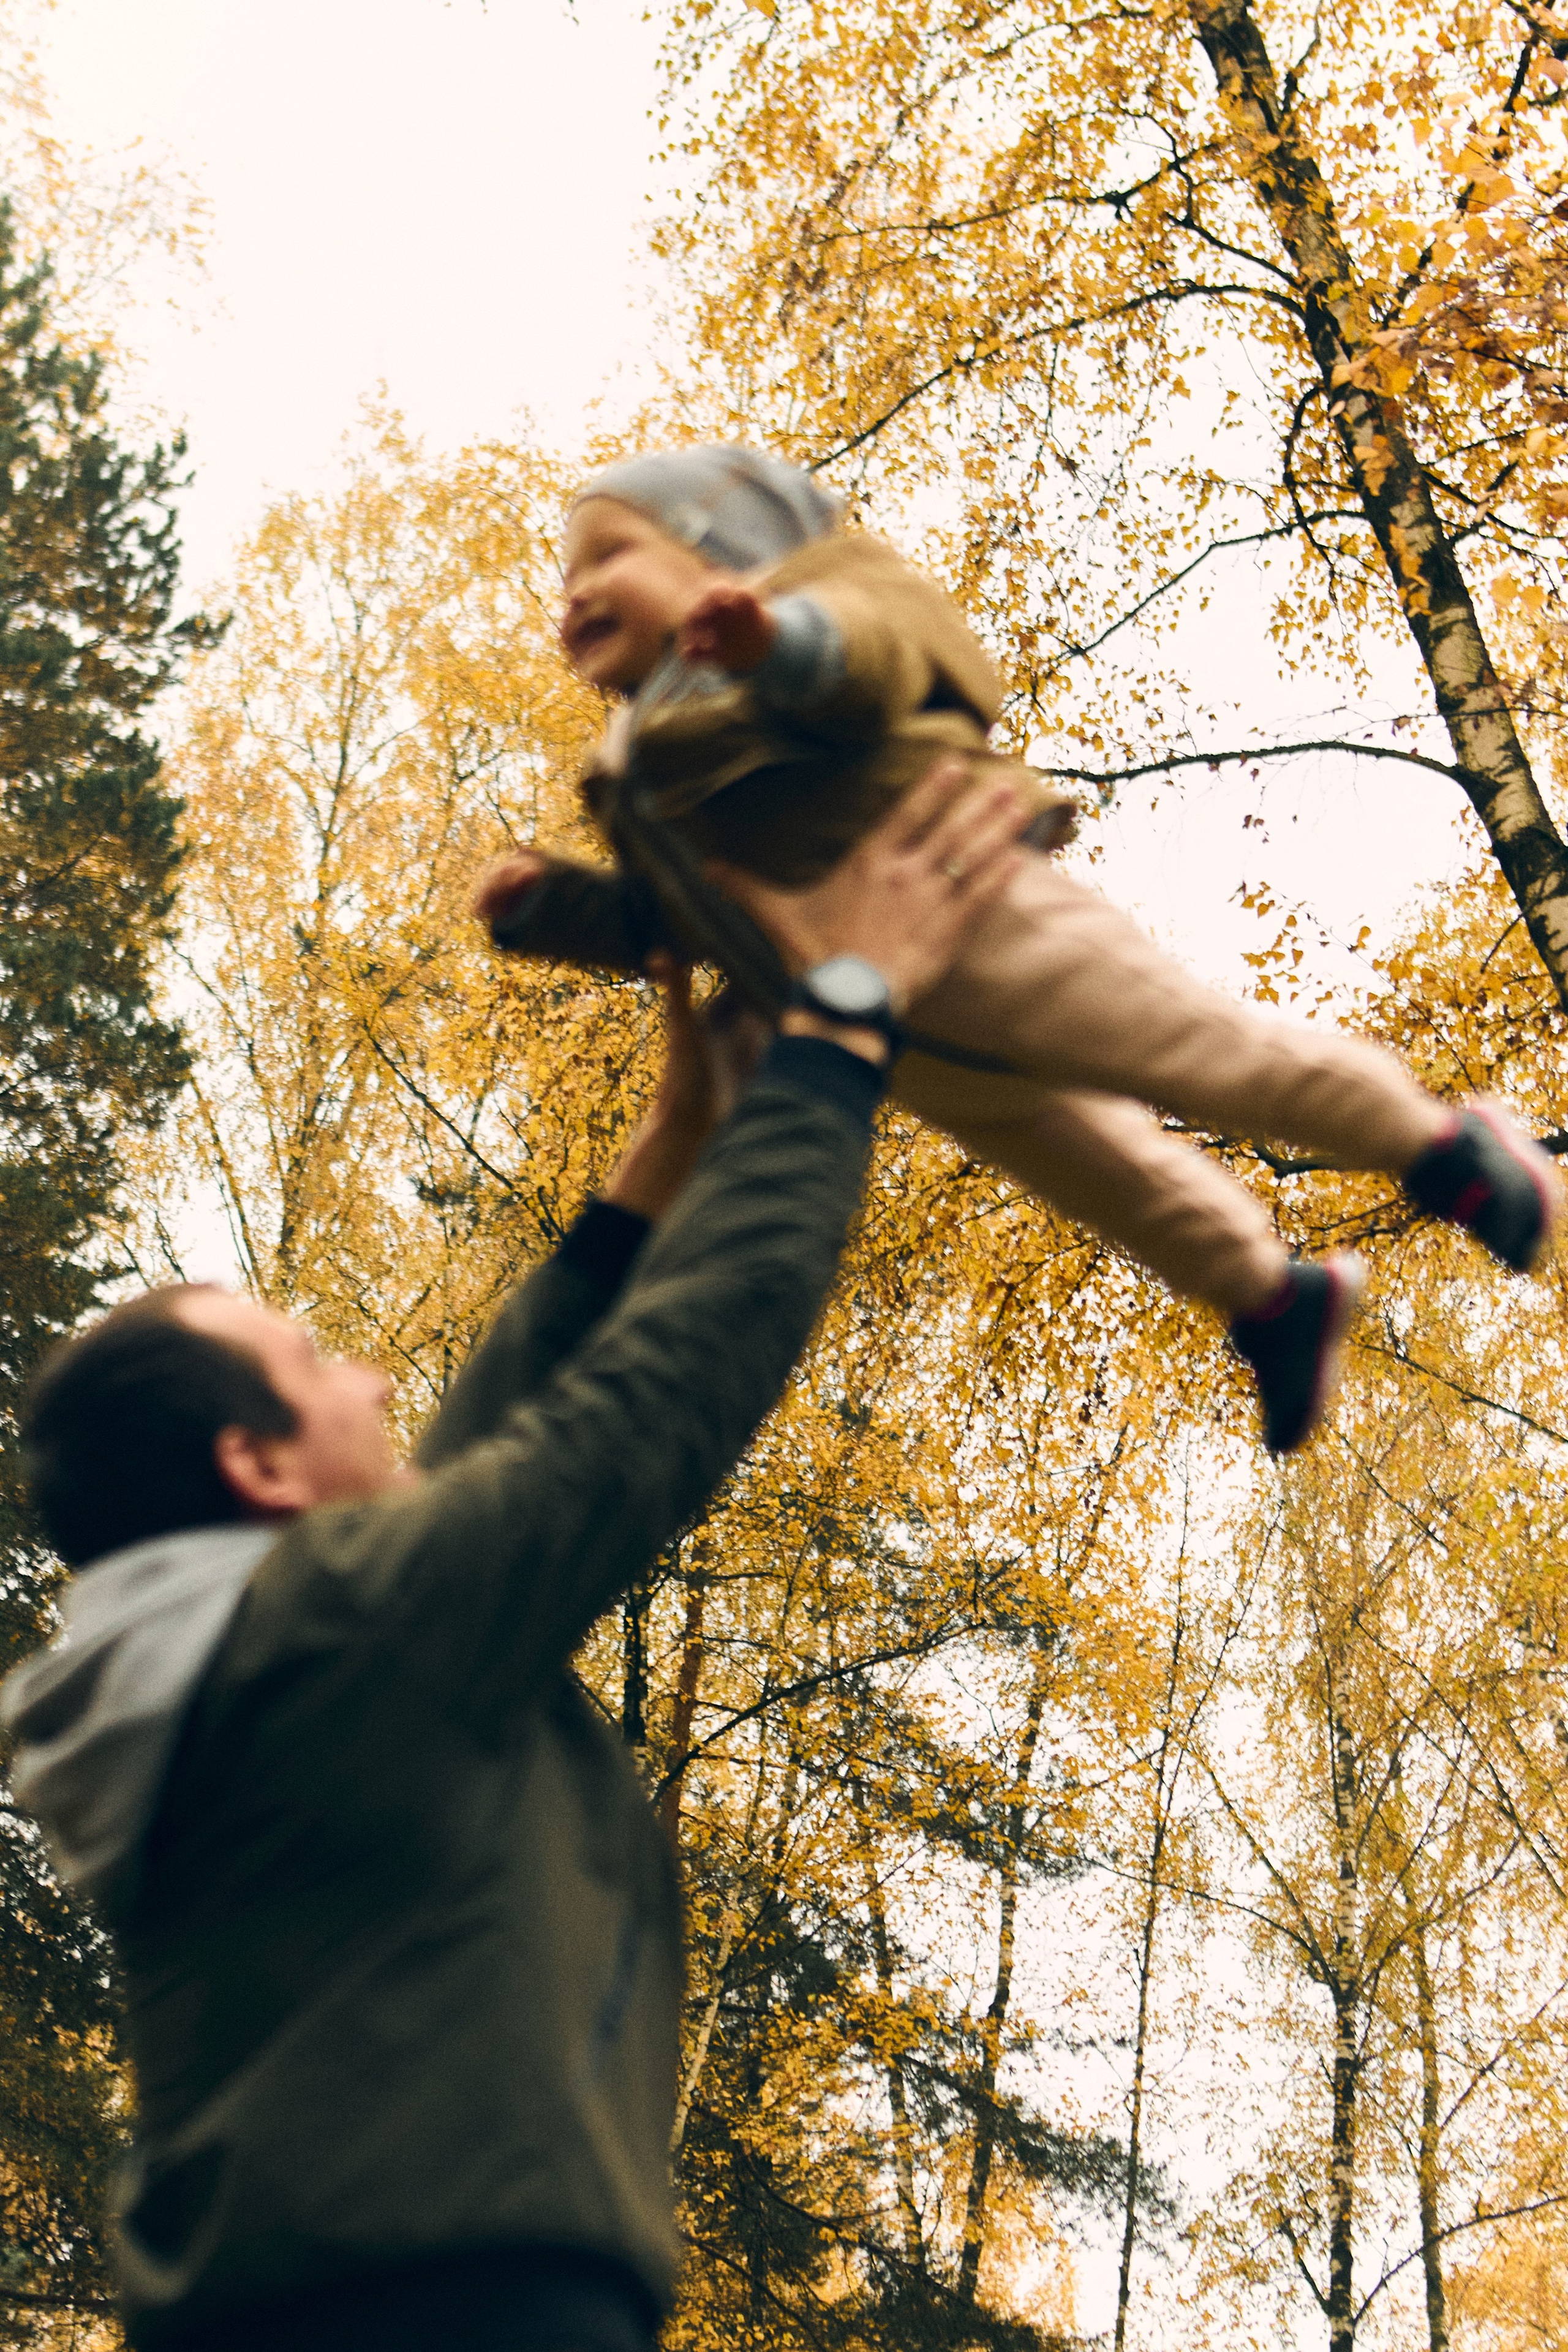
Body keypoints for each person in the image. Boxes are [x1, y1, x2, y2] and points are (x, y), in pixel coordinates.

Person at [1, 762, 1027, 2352]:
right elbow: (643, 1413)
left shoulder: (251, 1665)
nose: (375, 1378)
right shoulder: (325, 1639)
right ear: (256, 1465)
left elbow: (489, 1471)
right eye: (319, 1359)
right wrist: (838, 1032)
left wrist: (676, 1140)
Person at [481, 441, 1562, 1454]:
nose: (574, 593)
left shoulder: (815, 613)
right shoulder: (640, 766)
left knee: (1205, 1055)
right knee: (1104, 1172)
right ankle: (1277, 1298)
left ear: (726, 551)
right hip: (887, 1017)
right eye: (564, 579)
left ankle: (1446, 1148)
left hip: (976, 910)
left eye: (611, 556)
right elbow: (679, 921)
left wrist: (772, 642)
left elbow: (873, 662)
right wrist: (553, 911)